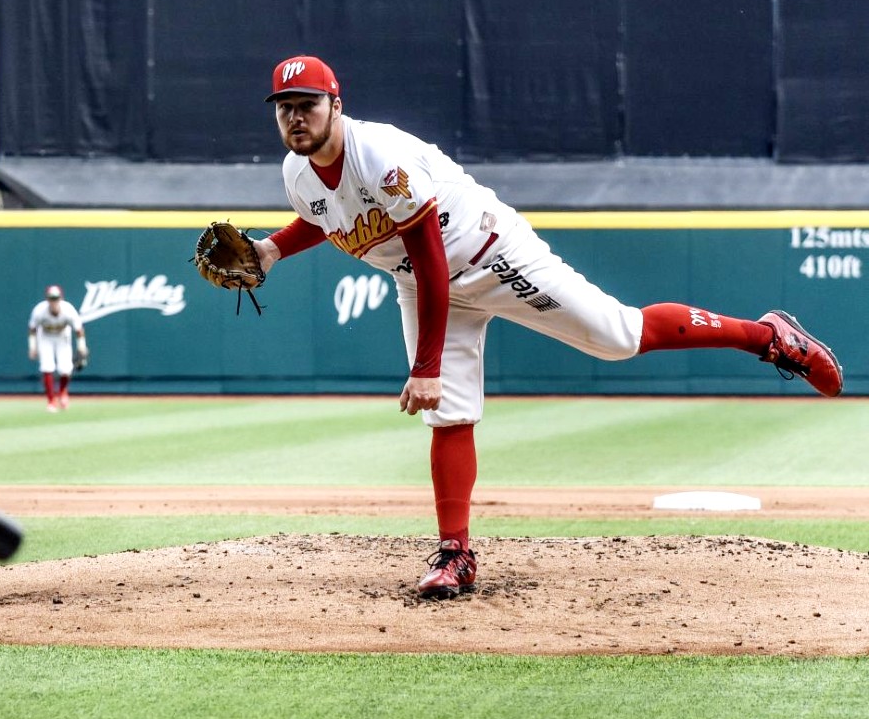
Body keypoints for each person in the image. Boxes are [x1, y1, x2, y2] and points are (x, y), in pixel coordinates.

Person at [249, 54, 845, 599]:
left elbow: (430, 257)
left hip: (489, 255)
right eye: (285, 107)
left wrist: (425, 367)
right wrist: (273, 250)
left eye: (308, 104)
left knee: (618, 336)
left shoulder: (378, 154)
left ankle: (767, 336)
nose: (296, 117)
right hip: (423, 283)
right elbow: (327, 217)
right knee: (449, 413)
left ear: (337, 105)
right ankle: (456, 554)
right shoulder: (297, 175)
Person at [27, 285, 87, 412]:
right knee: (47, 366)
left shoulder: (68, 310)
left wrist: (82, 347)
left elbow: (79, 330)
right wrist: (32, 347)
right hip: (45, 337)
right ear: (47, 299)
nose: (54, 301)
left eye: (56, 298)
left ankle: (62, 392)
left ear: (61, 298)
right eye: (51, 298)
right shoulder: (39, 310)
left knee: (65, 369)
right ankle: (51, 401)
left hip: (62, 336)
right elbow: (32, 329)